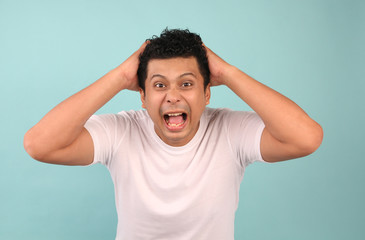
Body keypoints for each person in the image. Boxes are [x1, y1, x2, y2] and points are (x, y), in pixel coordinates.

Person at [24, 29, 323, 239]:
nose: (173, 96)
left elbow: (306, 138)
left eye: (187, 84)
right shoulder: (122, 130)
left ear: (207, 93)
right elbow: (39, 145)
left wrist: (228, 73)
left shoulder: (230, 130)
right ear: (142, 97)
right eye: (159, 85)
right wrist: (120, 77)